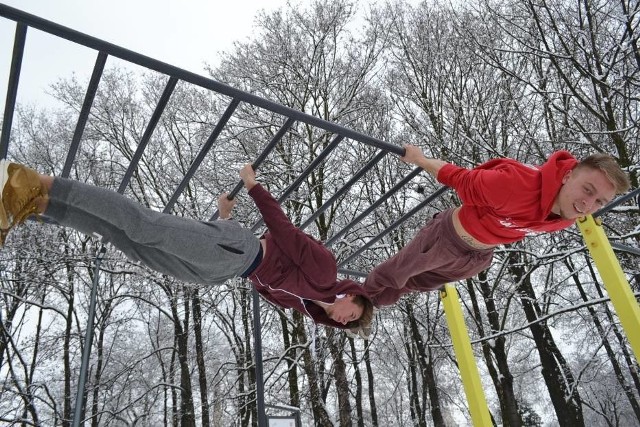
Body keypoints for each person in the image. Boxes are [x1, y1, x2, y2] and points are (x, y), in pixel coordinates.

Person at [0, 160, 374, 330]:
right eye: (352, 314)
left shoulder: (306, 305)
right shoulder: (325, 272)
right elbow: (284, 231)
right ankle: (32, 180)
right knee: (144, 226)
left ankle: (36, 205)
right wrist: (253, 185)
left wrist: (222, 218)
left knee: (127, 241)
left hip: (220, 270)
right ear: (352, 296)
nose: (343, 319)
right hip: (241, 251)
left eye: (346, 324)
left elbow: (259, 277)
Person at [363, 144, 632, 307]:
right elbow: (456, 177)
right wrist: (419, 159)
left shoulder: (567, 216)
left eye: (599, 201)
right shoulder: (514, 186)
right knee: (396, 274)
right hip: (448, 237)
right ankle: (353, 299)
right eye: (587, 190)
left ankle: (370, 306)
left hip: (478, 258)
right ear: (569, 175)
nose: (587, 205)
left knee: (413, 285)